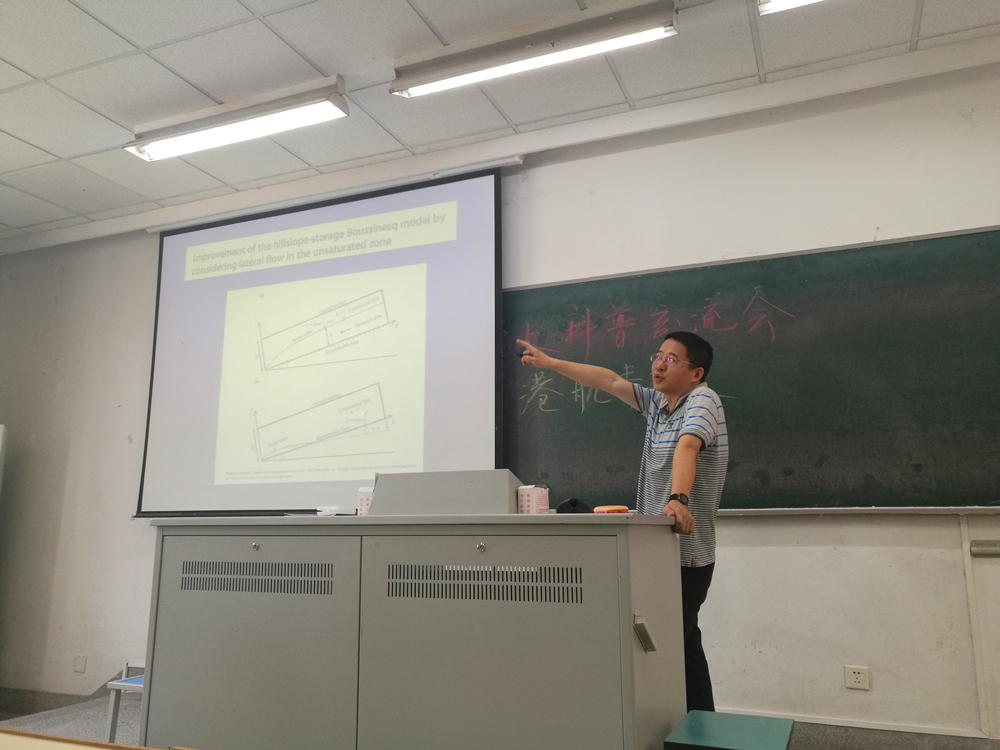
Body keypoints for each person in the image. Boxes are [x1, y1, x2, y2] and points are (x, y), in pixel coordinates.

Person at [516, 331, 728, 712]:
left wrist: (678, 499)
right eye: (657, 355)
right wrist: (550, 363)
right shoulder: (658, 404)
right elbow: (609, 381)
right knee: (683, 645)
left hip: (686, 554)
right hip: (656, 549)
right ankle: (701, 726)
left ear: (695, 373)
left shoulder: (703, 400)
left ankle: (678, 725)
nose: (659, 364)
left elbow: (688, 445)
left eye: (671, 359)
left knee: (668, 646)